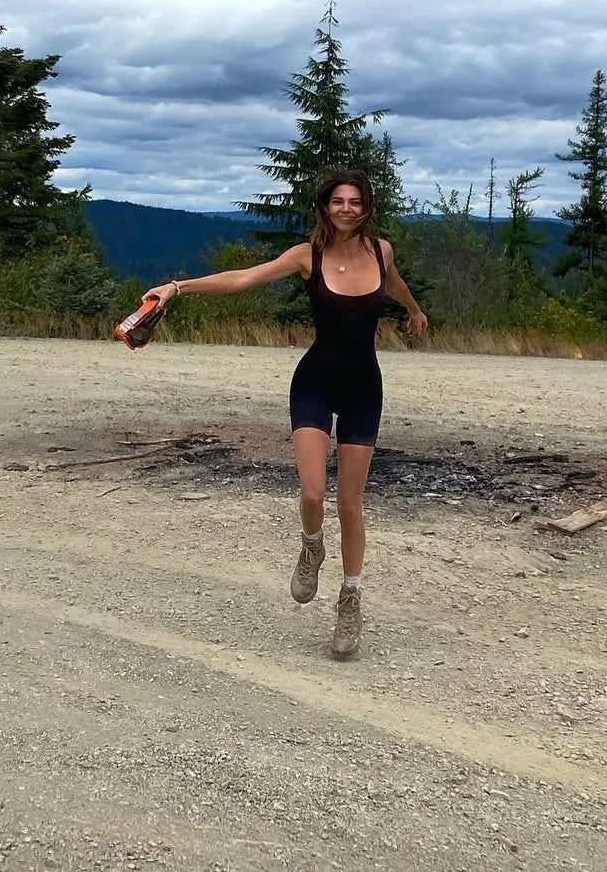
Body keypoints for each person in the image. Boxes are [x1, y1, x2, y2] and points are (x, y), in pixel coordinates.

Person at [145, 170, 428, 658]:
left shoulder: (381, 251)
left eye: (354, 201)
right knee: (314, 491)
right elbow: (242, 280)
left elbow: (396, 285)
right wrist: (178, 286)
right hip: (314, 382)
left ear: (367, 207)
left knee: (351, 504)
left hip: (365, 388)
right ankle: (312, 546)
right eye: (337, 201)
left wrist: (415, 311)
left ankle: (350, 600)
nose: (345, 209)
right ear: (323, 207)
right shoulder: (306, 256)